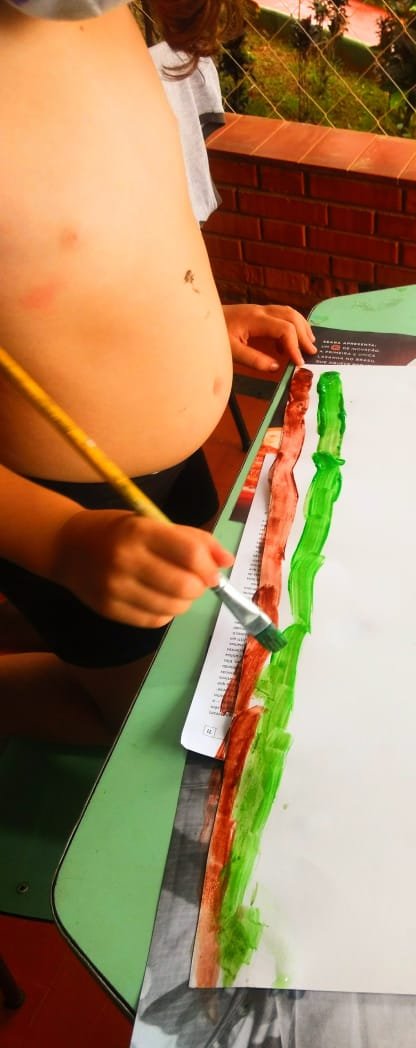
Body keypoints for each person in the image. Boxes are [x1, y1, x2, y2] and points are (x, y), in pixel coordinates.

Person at [0, 0, 315, 743]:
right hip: (60, 506)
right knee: (134, 716)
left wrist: (199, 315)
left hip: (177, 466)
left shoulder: (101, 13)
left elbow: (112, 226)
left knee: (179, 643)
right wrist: (64, 542)